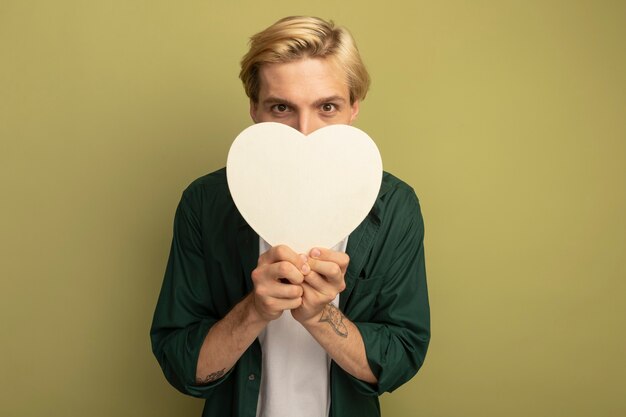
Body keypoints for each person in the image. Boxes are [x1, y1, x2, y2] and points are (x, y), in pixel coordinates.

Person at [150, 16, 430, 417]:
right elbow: (181, 366)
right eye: (281, 107)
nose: (305, 133)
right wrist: (255, 310)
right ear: (254, 110)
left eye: (327, 107)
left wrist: (320, 316)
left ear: (353, 108)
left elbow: (400, 359)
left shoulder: (395, 207)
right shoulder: (205, 203)